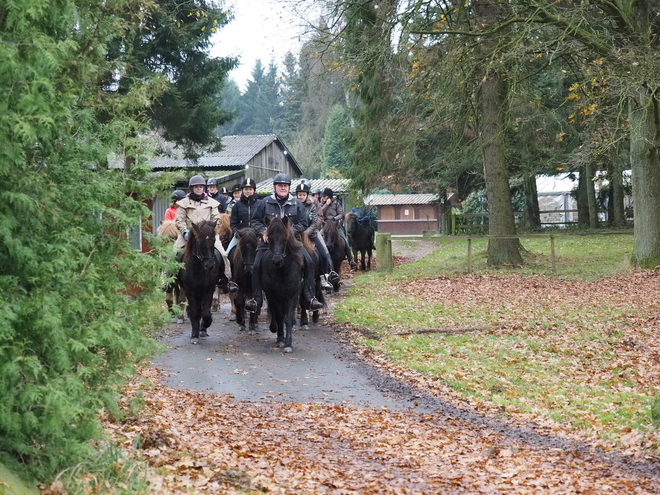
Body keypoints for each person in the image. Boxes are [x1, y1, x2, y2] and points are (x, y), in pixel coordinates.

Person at [245, 173, 324, 313]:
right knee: (256, 264)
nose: (283, 188)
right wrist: (264, 231)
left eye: (285, 186)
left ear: (289, 188)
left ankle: (309, 296)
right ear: (274, 187)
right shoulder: (265, 202)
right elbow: (255, 221)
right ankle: (256, 298)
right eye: (280, 185)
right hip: (269, 242)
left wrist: (290, 232)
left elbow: (303, 223)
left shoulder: (297, 203)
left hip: (292, 242)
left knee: (310, 261)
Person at [174, 174, 236, 292]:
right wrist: (185, 231)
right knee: (173, 254)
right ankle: (167, 281)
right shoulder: (183, 203)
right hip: (188, 235)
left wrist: (210, 231)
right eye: (196, 187)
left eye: (201, 187)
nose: (199, 189)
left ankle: (227, 280)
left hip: (208, 235)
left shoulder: (212, 203)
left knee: (223, 254)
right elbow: (179, 220)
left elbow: (216, 219)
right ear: (192, 188)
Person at [295, 183, 339, 290]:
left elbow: (315, 223)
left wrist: (305, 234)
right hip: (295, 235)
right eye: (299, 194)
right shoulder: (293, 205)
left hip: (311, 233)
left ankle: (324, 276)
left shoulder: (312, 206)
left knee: (323, 254)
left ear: (307, 195)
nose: (301, 196)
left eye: (303, 194)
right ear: (296, 195)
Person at [320, 187, 356, 270]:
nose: (323, 197)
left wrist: (334, 219)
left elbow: (341, 214)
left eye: (325, 196)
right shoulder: (321, 203)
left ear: (329, 196)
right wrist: (326, 204)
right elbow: (320, 212)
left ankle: (351, 260)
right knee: (318, 239)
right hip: (325, 226)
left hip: (335, 226)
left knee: (345, 241)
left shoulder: (336, 203)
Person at [226, 177, 261, 255]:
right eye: (245, 189)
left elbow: (264, 221)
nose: (248, 191)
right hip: (240, 235)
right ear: (242, 190)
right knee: (226, 254)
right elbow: (233, 223)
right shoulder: (237, 205)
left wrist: (261, 232)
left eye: (250, 189)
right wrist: (236, 232)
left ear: (254, 190)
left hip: (257, 235)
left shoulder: (261, 204)